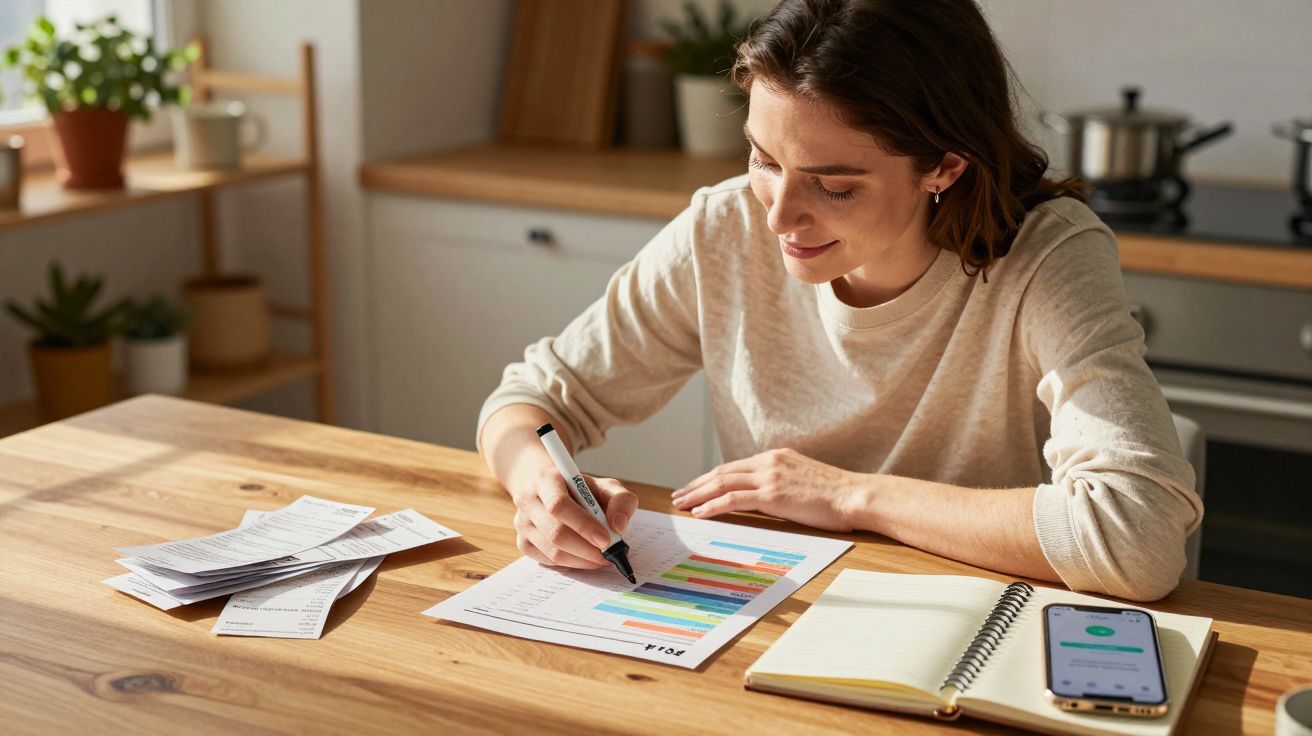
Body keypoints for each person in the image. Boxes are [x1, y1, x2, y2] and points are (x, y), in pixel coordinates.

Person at [476, 0, 1202, 602]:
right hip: (773, 609)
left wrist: (852, 496)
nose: (779, 216)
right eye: (765, 161)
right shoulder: (724, 226)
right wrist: (538, 483)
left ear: (944, 166)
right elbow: (531, 399)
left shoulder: (1045, 257)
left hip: (962, 620)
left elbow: (1137, 537)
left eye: (834, 184)